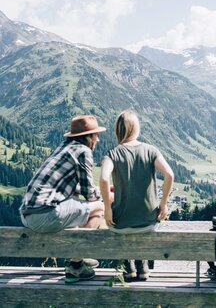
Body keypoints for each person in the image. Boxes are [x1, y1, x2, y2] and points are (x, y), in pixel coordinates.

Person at [20, 115, 106, 283]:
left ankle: (78, 256)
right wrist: (105, 197)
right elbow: (90, 195)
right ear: (88, 137)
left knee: (83, 207)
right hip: (45, 215)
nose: (98, 140)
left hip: (27, 215)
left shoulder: (64, 148)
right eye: (96, 135)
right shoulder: (83, 151)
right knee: (99, 208)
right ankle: (76, 265)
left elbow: (72, 188)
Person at [100, 109, 174, 281]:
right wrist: (163, 203)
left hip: (121, 224)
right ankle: (143, 265)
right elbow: (170, 174)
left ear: (118, 130)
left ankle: (129, 266)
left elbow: (104, 179)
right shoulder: (151, 150)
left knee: (121, 223)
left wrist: (107, 208)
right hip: (149, 222)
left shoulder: (112, 154)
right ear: (136, 128)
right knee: (140, 224)